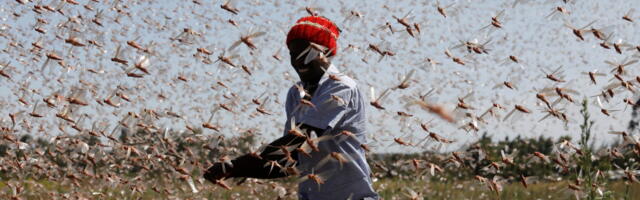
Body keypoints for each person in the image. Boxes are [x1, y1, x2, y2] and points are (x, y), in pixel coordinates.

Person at [204, 16, 379, 200]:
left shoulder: (341, 87)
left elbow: (299, 140)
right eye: (293, 54)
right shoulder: (296, 94)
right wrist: (239, 170)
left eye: (308, 54)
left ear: (326, 52)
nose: (299, 61)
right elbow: (291, 158)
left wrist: (238, 165)